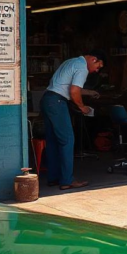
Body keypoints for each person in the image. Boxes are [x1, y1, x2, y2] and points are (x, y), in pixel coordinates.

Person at [41, 50, 105, 190]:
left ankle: (54, 178)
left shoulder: (71, 62)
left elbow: (70, 86)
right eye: (98, 67)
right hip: (58, 102)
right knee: (67, 140)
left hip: (48, 99)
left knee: (53, 141)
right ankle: (67, 181)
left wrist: (89, 92)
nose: (96, 71)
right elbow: (74, 91)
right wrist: (82, 107)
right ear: (94, 59)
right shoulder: (82, 68)